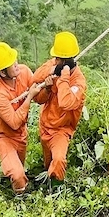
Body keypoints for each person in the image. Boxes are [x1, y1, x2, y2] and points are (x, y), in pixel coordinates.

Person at [32, 32, 87, 184]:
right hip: (45, 126)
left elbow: (66, 102)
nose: (54, 61)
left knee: (58, 161)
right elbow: (35, 80)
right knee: (48, 163)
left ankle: (55, 190)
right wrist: (49, 83)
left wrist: (63, 77)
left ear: (67, 61)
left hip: (61, 130)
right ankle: (46, 177)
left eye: (58, 59)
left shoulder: (78, 81)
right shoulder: (54, 65)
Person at [0, 42, 42, 194]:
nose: (16, 65)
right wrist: (29, 96)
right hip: (4, 137)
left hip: (20, 134)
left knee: (20, 170)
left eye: (15, 60)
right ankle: (20, 201)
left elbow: (38, 91)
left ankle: (18, 187)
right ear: (3, 73)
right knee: (17, 174)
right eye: (11, 64)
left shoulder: (24, 72)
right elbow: (13, 122)